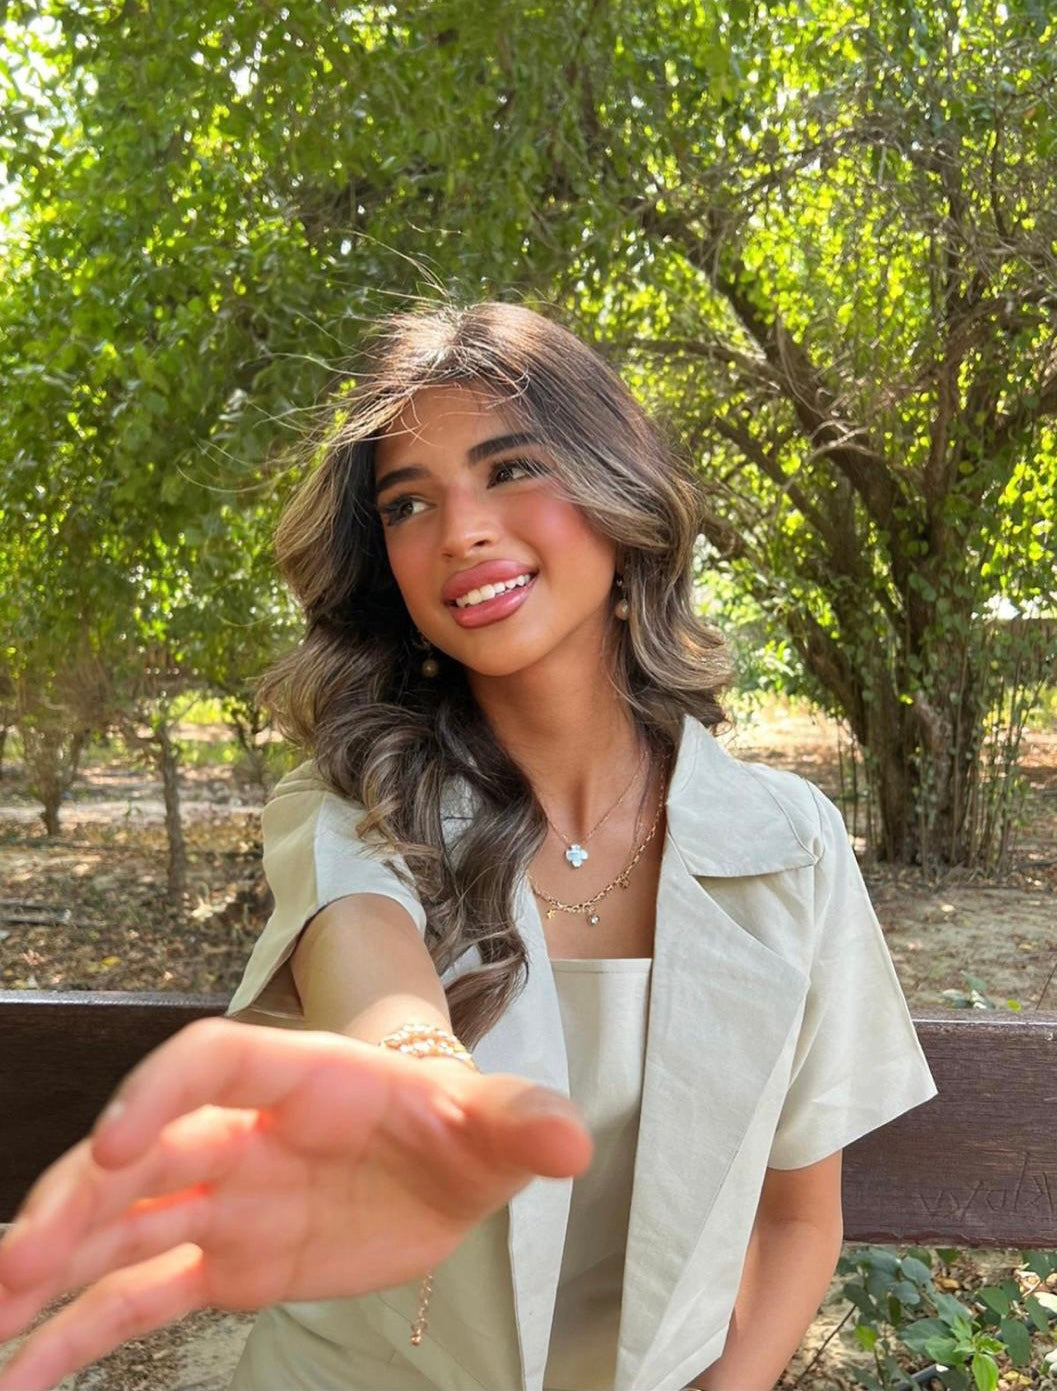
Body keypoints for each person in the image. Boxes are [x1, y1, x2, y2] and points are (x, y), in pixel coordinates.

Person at [0, 301, 937, 1391]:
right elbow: (367, 953)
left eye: (510, 468)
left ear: (618, 492)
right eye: (408, 502)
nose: (460, 531)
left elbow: (795, 1217)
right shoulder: (353, 800)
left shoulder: (790, 843)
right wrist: (425, 1078)